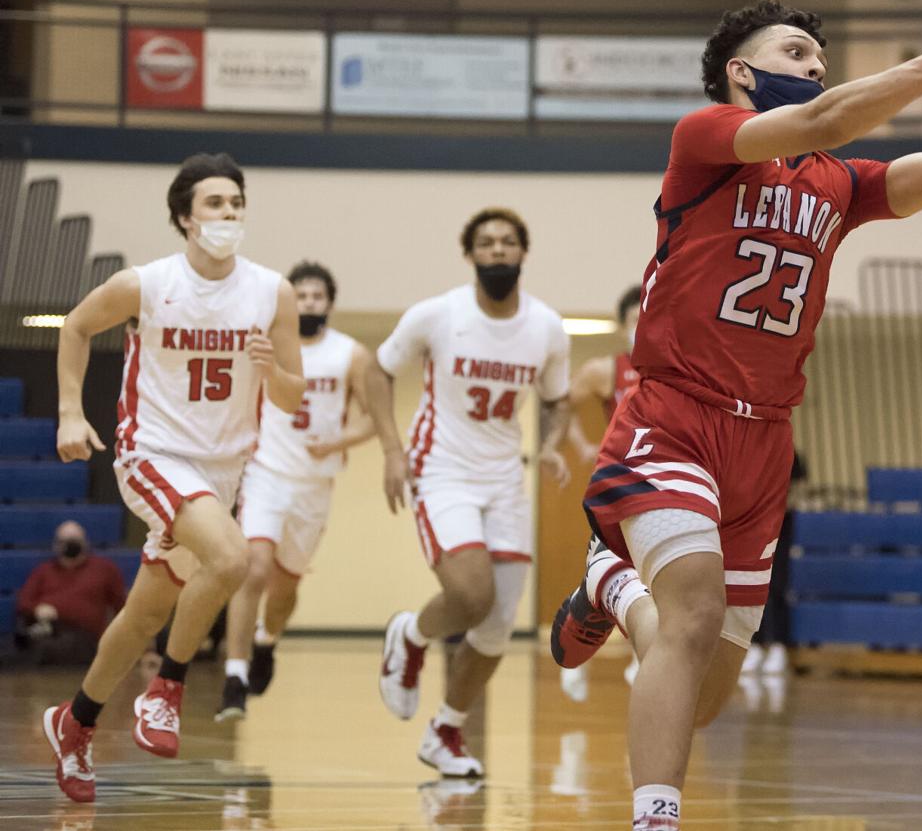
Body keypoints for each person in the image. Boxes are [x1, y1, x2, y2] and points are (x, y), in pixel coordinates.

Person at [549, 0, 922, 830]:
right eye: (797, 52)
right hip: (675, 414)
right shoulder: (704, 141)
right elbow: (825, 119)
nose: (815, 67)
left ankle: (609, 584)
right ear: (741, 71)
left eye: (819, 59)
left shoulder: (835, 183)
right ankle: (655, 817)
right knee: (691, 614)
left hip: (764, 441)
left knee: (703, 690)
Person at [45, 152, 304, 803]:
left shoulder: (272, 291)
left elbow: (294, 397)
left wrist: (273, 369)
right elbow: (76, 326)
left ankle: (74, 722)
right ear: (186, 216)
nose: (228, 214)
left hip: (220, 471)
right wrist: (70, 412)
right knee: (233, 557)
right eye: (216, 203)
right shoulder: (148, 283)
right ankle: (169, 689)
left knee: (144, 613)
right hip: (152, 451)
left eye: (236, 203)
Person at [366, 207, 571, 778]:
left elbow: (558, 398)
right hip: (442, 471)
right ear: (471, 254)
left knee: (497, 623)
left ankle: (445, 732)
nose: (498, 250)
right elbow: (376, 371)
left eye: (508, 242)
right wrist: (390, 449)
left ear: (522, 253)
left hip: (505, 478)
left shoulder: (548, 327)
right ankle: (410, 636)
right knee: (472, 595)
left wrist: (552, 442)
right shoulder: (438, 315)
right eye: (487, 242)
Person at [216, 260, 375, 721]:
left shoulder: (350, 354)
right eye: (301, 295)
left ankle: (267, 641)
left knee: (284, 588)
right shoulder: (269, 346)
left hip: (315, 483)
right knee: (253, 568)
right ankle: (235, 675)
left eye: (316, 296)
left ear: (329, 302)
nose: (308, 303)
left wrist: (339, 441)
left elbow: (369, 417)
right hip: (266, 472)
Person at [560, 284, 642, 700]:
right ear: (623, 325)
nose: (644, 323)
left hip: (663, 482)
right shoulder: (606, 370)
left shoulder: (679, 367)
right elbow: (560, 403)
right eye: (635, 318)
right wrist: (579, 445)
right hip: (618, 482)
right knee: (610, 573)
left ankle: (642, 658)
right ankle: (575, 641)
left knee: (655, 576)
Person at [15, 521, 126, 666]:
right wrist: (37, 609)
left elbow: (122, 606)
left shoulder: (104, 569)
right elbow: (23, 602)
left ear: (85, 543)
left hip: (85, 638)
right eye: (64, 541)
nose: (70, 545)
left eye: (75, 541)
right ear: (56, 545)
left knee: (50, 649)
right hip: (47, 629)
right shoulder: (44, 570)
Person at [740, 451, 806, 675]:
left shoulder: (790, 454)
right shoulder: (745, 455)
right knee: (753, 587)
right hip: (752, 526)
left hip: (779, 525)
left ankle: (779, 645)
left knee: (777, 585)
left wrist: (773, 507)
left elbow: (797, 491)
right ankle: (756, 645)